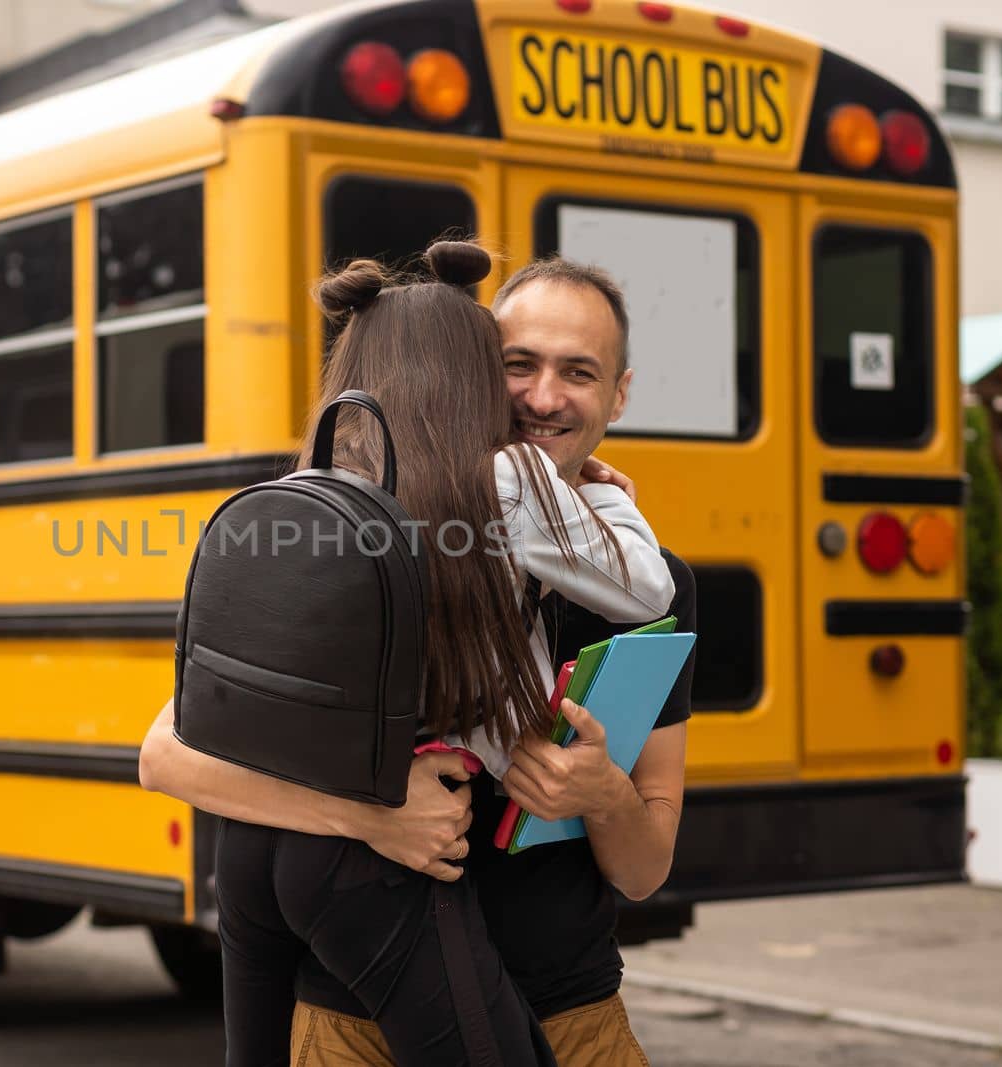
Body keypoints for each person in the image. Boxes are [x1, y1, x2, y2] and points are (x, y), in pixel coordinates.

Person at [140, 255, 695, 1067]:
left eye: (578, 371)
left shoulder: (323, 500)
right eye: (516, 365)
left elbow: (647, 864)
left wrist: (604, 793)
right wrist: (374, 811)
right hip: (359, 986)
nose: (543, 396)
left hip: (562, 997)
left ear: (619, 393)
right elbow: (166, 753)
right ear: (472, 373)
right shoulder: (463, 502)